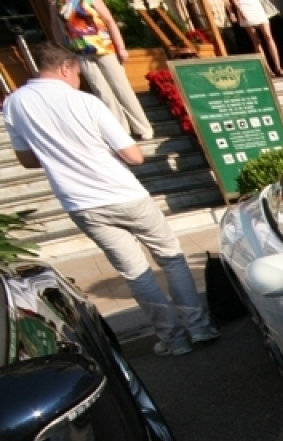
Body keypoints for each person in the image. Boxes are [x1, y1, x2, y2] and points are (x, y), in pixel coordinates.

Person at [4, 43, 219, 357]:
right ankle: (200, 328)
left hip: (82, 203)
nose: (79, 79)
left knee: (135, 273)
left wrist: (56, 155)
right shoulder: (85, 102)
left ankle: (174, 340)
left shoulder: (14, 104)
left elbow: (26, 159)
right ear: (65, 68)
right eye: (78, 72)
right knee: (171, 258)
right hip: (125, 193)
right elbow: (134, 156)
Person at [55, 0, 154, 140]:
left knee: (122, 89)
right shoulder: (57, 4)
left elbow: (109, 20)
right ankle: (122, 130)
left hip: (104, 48)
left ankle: (143, 127)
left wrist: (121, 47)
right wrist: (64, 51)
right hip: (81, 52)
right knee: (102, 92)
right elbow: (57, 27)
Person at [229, 0, 283, 76]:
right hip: (244, 7)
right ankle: (267, 69)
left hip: (256, 6)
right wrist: (240, 11)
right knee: (256, 41)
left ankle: (278, 67)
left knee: (268, 36)